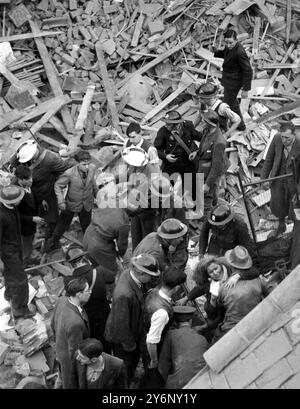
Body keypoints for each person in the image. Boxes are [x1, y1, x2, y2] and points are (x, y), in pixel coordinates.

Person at [104, 254, 160, 383]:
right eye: (150, 276)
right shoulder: (125, 295)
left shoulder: (129, 274)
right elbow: (121, 325)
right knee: (127, 365)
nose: (152, 278)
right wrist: (130, 346)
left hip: (129, 330)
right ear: (140, 273)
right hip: (122, 339)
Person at [204, 246, 272, 343]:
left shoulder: (223, 289)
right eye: (211, 272)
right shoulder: (258, 280)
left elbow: (218, 310)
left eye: (216, 269)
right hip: (256, 320)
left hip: (232, 327)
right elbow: (269, 293)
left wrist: (213, 299)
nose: (215, 273)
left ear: (230, 266)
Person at [15, 139, 69, 244]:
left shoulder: (51, 159)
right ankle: (39, 226)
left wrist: (58, 186)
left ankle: (50, 235)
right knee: (34, 211)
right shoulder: (24, 151)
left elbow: (65, 171)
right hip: (34, 192)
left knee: (51, 215)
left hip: (47, 191)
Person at [46, 150, 97, 252]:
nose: (86, 166)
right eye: (83, 164)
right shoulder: (69, 173)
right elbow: (58, 185)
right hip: (71, 203)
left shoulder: (92, 169)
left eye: (88, 164)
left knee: (86, 226)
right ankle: (51, 245)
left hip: (87, 203)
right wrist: (60, 201)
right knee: (62, 225)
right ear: (78, 163)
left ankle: (89, 247)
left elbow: (93, 183)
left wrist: (98, 195)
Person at [65, 245, 111, 352]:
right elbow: (111, 278)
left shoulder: (68, 281)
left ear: (70, 264)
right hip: (104, 315)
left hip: (86, 320)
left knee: (91, 346)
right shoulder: (99, 271)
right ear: (85, 258)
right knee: (107, 342)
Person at [123, 122, 160, 249]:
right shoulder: (128, 145)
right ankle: (136, 252)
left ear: (140, 134)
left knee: (147, 232)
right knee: (135, 231)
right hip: (136, 193)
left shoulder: (150, 149)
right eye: (129, 137)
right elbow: (127, 168)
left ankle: (148, 253)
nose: (131, 140)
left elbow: (156, 174)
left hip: (147, 200)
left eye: (134, 137)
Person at [82, 189, 131, 284]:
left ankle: (94, 283)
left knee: (94, 265)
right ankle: (107, 290)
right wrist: (120, 253)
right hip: (99, 247)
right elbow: (122, 245)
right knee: (110, 272)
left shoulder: (112, 201)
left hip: (88, 234)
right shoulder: (123, 223)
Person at [0, 185, 34, 319]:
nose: (21, 200)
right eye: (18, 198)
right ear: (11, 201)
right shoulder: (1, 215)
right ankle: (20, 308)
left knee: (10, 275)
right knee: (21, 281)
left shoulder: (11, 208)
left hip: (15, 247)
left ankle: (9, 294)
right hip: (8, 253)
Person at [51, 276, 91, 389]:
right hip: (69, 360)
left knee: (61, 377)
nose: (90, 292)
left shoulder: (62, 300)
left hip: (60, 352)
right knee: (70, 384)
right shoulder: (75, 323)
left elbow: (52, 324)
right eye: (88, 290)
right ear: (79, 294)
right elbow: (75, 352)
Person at [261, 122, 300, 237]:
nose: (284, 140)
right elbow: (269, 159)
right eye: (282, 137)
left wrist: (298, 191)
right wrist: (264, 179)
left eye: (287, 138)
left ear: (294, 134)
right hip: (277, 179)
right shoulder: (277, 138)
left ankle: (295, 230)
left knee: (294, 207)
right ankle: (281, 225)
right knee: (278, 204)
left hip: (293, 182)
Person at [144, 268, 187, 372]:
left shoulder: (153, 291)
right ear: (177, 287)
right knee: (154, 374)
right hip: (156, 349)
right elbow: (151, 342)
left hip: (144, 332)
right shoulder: (162, 313)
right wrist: (154, 360)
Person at [154, 110, 201, 201]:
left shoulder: (188, 127)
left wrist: (197, 152)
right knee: (166, 188)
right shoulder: (163, 132)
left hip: (188, 163)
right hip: (171, 164)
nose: (166, 125)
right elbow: (156, 149)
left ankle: (194, 207)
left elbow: (202, 139)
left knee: (192, 188)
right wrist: (165, 156)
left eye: (168, 124)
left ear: (176, 124)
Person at [158, 306, 208, 389]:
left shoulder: (171, 335)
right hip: (201, 382)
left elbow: (162, 366)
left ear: (174, 322)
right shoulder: (203, 339)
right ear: (191, 321)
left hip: (178, 384)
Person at [213, 29, 253, 130]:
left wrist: (245, 89)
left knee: (224, 107)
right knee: (233, 104)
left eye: (231, 43)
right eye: (226, 43)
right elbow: (225, 53)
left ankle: (221, 129)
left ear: (236, 40)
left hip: (234, 83)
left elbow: (248, 70)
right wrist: (216, 52)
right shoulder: (229, 47)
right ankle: (241, 126)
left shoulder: (240, 52)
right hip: (228, 80)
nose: (228, 45)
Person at [189, 110, 227, 213]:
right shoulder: (207, 131)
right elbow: (204, 145)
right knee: (211, 196)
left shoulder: (219, 142)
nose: (202, 123)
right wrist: (197, 152)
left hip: (209, 175)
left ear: (210, 124)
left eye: (204, 121)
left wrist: (208, 184)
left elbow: (216, 167)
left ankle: (207, 221)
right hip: (202, 169)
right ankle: (215, 205)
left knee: (206, 201)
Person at [13, 165, 44, 263]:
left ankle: (27, 253)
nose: (31, 180)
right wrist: (32, 219)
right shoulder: (15, 194)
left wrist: (41, 201)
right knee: (25, 244)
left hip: (31, 225)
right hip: (24, 227)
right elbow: (15, 215)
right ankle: (23, 261)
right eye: (27, 179)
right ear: (20, 180)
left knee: (29, 241)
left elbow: (33, 196)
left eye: (31, 177)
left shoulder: (28, 186)